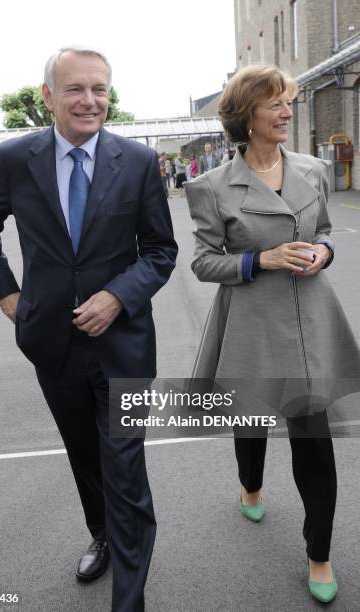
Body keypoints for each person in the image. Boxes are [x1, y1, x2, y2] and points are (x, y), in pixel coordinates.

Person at [0, 45, 177, 612]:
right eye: (76, 89)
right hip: (52, 343)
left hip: (123, 344)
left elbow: (160, 251)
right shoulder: (14, 158)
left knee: (125, 466)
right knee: (84, 454)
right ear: (48, 97)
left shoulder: (135, 161)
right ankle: (102, 534)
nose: (90, 101)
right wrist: (8, 295)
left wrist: (116, 296)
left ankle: (128, 600)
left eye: (100, 89)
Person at [184, 65, 360, 604]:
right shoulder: (210, 187)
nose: (287, 112)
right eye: (275, 104)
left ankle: (320, 554)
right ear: (246, 115)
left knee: (315, 441)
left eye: (290, 101)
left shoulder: (311, 168)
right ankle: (250, 483)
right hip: (252, 324)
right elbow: (203, 263)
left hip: (310, 320)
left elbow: (325, 232)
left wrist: (322, 252)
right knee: (253, 423)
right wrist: (259, 259)